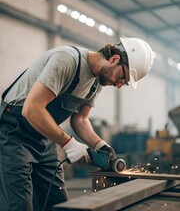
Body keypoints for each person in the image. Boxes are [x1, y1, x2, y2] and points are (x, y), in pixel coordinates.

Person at [0, 37, 155, 210]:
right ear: (114, 59)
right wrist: (69, 143)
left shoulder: (97, 82)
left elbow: (80, 119)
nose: (119, 85)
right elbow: (32, 109)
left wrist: (100, 145)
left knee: (58, 202)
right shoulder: (67, 60)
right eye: (122, 78)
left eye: (124, 84)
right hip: (15, 133)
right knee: (19, 205)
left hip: (44, 137)